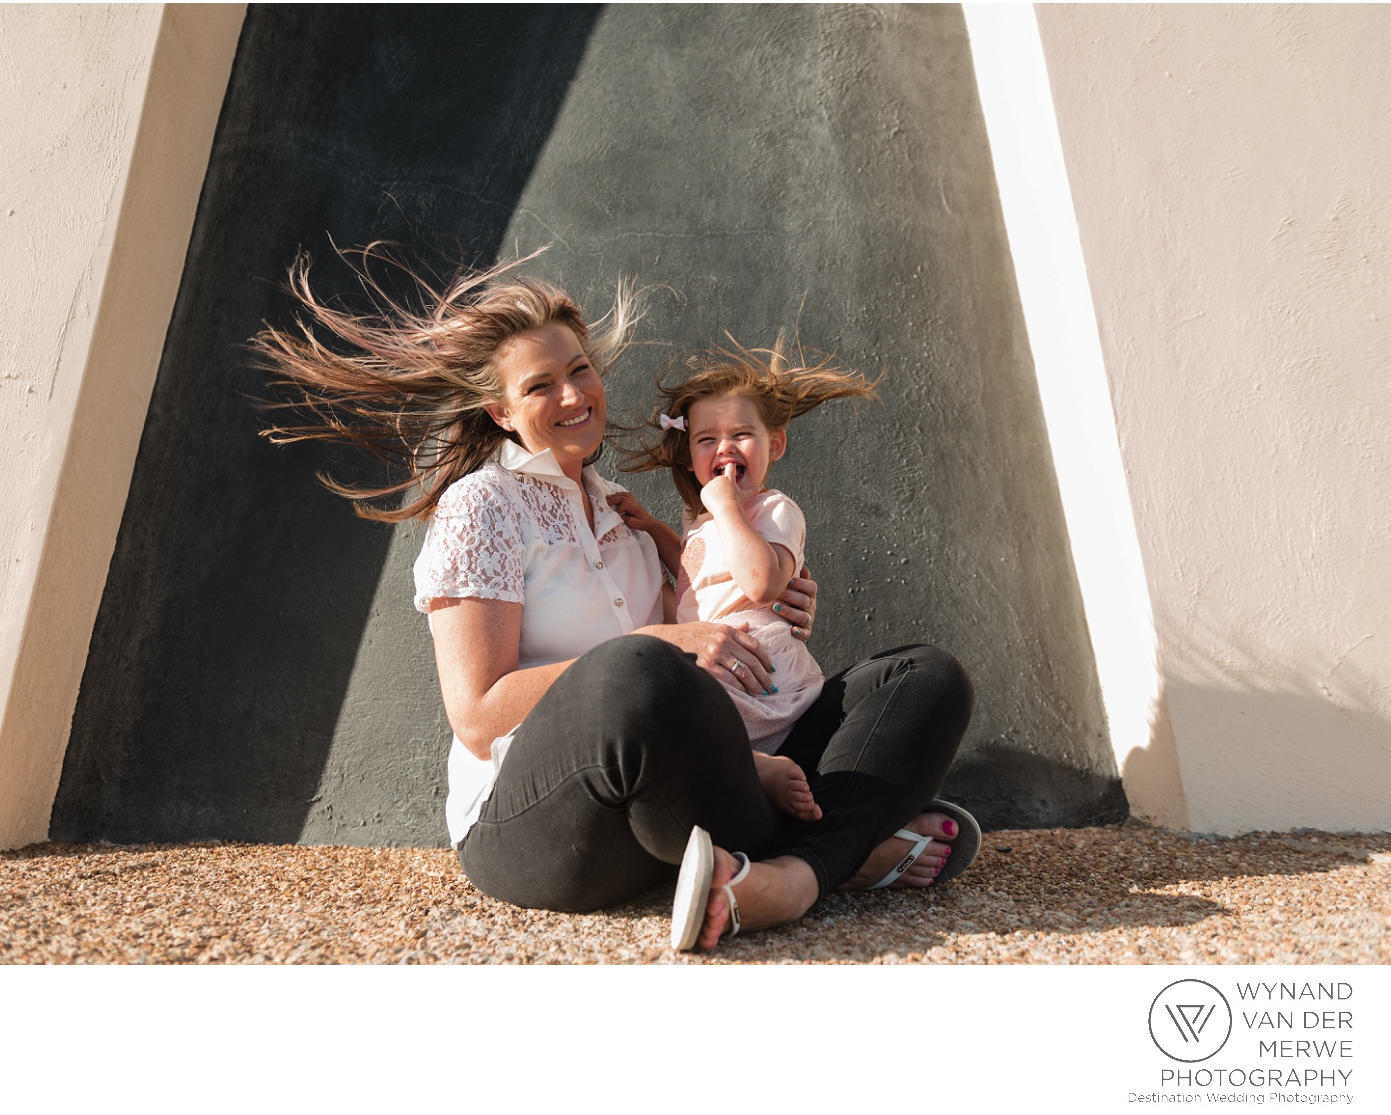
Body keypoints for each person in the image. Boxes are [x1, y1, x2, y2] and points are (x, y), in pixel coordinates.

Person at [254, 243, 980, 953]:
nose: (573, 396)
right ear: (501, 411)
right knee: (637, 673)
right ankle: (845, 849)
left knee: (921, 677)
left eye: (581, 370)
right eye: (539, 386)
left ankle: (787, 878)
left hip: (682, 788)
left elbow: (705, 641)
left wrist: (773, 612)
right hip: (544, 827)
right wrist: (661, 647)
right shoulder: (484, 506)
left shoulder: (626, 513)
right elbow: (478, 716)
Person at [606, 342, 877, 823]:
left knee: (672, 709)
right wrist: (654, 528)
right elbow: (694, 567)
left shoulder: (774, 511)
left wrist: (728, 507)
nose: (724, 448)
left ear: (774, 444)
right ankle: (756, 781)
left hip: (757, 667)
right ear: (691, 457)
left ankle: (759, 769)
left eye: (741, 435)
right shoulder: (706, 523)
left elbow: (761, 583)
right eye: (707, 439)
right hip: (724, 665)